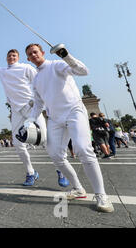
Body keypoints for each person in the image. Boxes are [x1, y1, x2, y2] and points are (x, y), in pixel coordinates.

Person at [25, 43, 113, 212]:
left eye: (35, 51)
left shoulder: (57, 65)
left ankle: (101, 195)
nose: (34, 55)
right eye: (30, 54)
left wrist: (66, 55)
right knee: (55, 155)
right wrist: (29, 121)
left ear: (42, 52)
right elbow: (37, 104)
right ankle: (78, 188)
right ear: (28, 59)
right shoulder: (35, 80)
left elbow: (83, 71)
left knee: (83, 149)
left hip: (74, 111)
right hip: (55, 118)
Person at [0, 46, 69, 187]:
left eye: (14, 55)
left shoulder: (26, 68)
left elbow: (39, 81)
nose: (11, 57)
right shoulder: (3, 71)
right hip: (16, 112)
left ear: (18, 58)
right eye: (9, 55)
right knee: (18, 143)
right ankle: (30, 172)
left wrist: (42, 101)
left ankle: (60, 170)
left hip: (31, 108)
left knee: (45, 140)